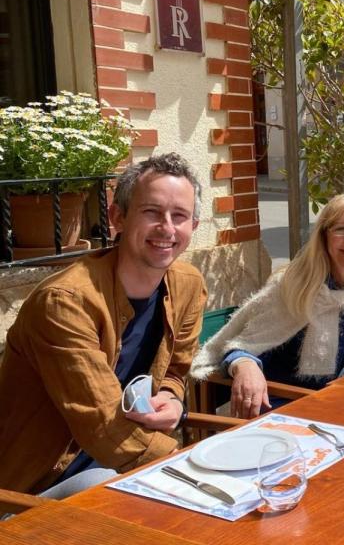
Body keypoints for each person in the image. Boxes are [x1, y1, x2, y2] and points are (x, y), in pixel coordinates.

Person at [0, 153, 206, 498]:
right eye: (151, 212)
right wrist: (192, 474)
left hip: (125, 472)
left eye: (179, 216)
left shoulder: (188, 285)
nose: (167, 228)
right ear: (117, 217)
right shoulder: (65, 302)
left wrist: (171, 397)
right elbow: (104, 426)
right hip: (34, 492)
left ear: (193, 227)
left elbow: (176, 370)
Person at [191, 192, 344, 418]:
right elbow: (242, 345)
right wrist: (245, 366)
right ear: (324, 236)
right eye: (340, 229)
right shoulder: (294, 284)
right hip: (286, 405)